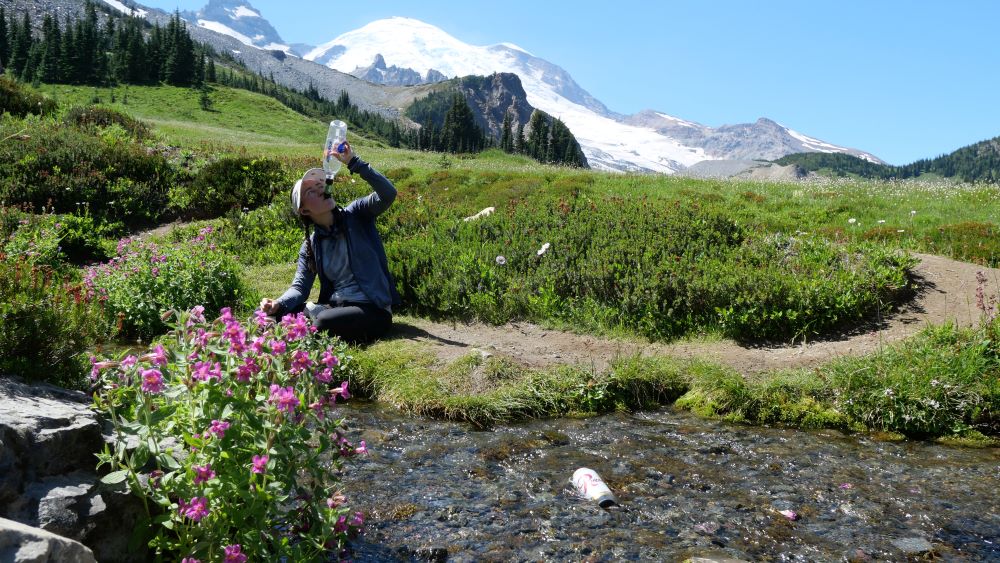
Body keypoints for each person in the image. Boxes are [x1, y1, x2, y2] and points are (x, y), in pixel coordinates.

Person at [259, 142, 400, 343]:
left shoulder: (357, 214)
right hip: (334, 307)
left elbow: (388, 194)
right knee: (270, 314)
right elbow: (300, 288)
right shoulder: (312, 244)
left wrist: (354, 163)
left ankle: (288, 341)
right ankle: (275, 337)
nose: (320, 189)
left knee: (323, 321)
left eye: (319, 185)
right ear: (305, 211)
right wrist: (278, 303)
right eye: (311, 192)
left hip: (372, 311)